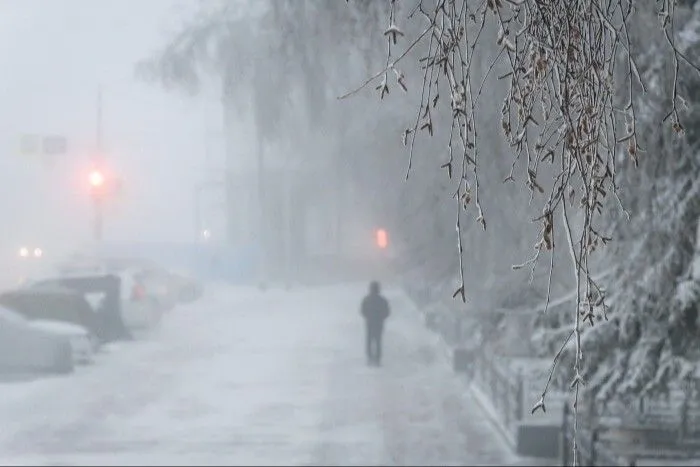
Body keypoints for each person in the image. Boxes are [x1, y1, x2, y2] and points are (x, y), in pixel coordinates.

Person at [360, 280, 390, 366]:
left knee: (369, 340)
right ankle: (377, 358)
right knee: (378, 341)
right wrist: (381, 317)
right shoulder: (382, 300)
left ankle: (370, 357)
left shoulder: (366, 299)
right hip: (379, 323)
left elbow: (362, 311)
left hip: (369, 323)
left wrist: (368, 316)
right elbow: (387, 312)